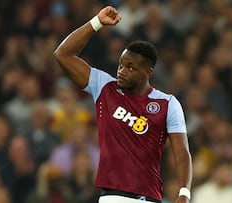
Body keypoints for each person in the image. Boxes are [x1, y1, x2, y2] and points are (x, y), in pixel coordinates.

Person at [54, 5, 192, 203]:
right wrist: (97, 23)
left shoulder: (168, 104)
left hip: (149, 199)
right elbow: (63, 55)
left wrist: (184, 193)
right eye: (120, 65)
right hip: (111, 197)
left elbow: (181, 152)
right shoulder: (105, 88)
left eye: (130, 67)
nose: (122, 71)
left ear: (148, 73)